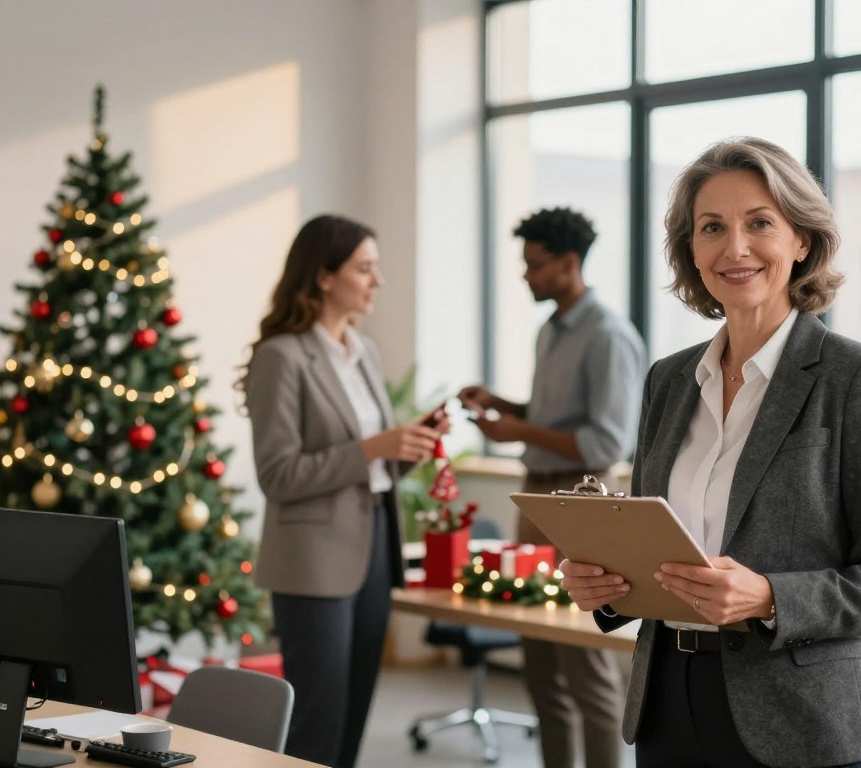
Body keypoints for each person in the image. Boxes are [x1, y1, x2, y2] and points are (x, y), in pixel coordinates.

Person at [560, 137, 861, 768]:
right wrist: (608, 587)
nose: (735, 248)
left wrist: (768, 596)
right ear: (692, 251)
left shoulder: (855, 377)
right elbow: (661, 545)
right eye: (712, 228)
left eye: (760, 223)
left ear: (801, 241)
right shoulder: (668, 381)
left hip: (801, 717)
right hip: (668, 703)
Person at [240, 214, 448, 768]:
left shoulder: (365, 353)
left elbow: (371, 469)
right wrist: (374, 447)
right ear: (325, 276)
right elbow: (278, 475)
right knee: (318, 715)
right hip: (312, 561)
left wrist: (407, 447)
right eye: (364, 269)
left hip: (375, 545)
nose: (376, 281)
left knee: (355, 711)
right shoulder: (280, 357)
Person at [458, 206, 647, 768]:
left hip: (583, 499)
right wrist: (503, 405)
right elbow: (552, 417)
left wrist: (516, 429)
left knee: (582, 656)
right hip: (536, 496)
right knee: (537, 656)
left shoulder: (609, 336)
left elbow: (605, 444)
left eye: (534, 265)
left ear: (569, 263)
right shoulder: (550, 330)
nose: (525, 276)